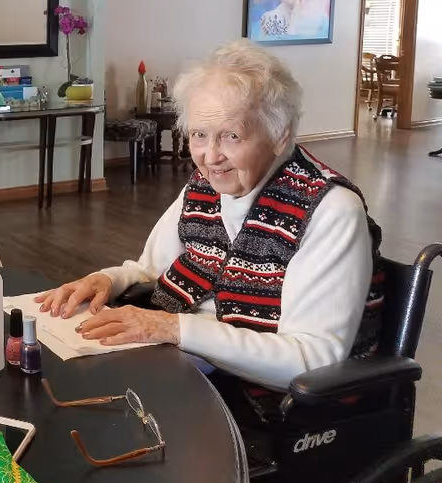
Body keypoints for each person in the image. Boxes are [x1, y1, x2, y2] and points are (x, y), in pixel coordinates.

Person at [36, 40, 382, 391]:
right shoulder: (205, 186)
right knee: (48, 382)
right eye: (199, 135)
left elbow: (309, 362)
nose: (210, 156)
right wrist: (109, 280)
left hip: (264, 405)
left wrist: (172, 328)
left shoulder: (330, 211)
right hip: (186, 368)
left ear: (280, 136)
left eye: (232, 136)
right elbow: (150, 270)